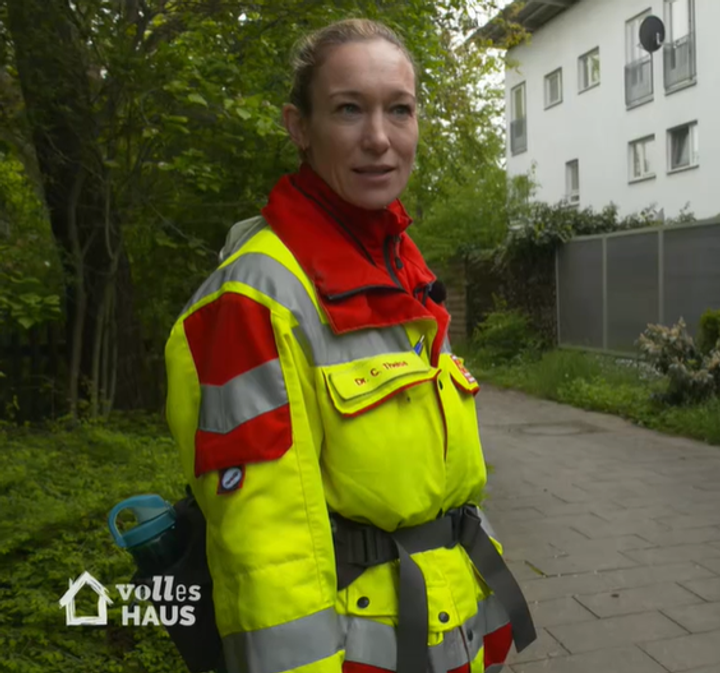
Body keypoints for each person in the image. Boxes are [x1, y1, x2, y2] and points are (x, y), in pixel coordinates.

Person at [162, 18, 535, 673]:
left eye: (400, 109)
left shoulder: (406, 273)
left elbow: (442, 491)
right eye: (347, 110)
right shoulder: (254, 297)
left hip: (449, 633)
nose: (379, 139)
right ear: (298, 127)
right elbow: (263, 545)